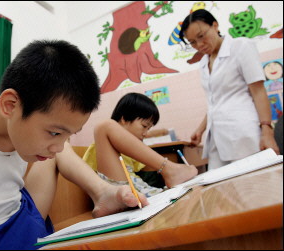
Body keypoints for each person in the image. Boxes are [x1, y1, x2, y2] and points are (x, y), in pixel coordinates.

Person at [0, 40, 149, 250]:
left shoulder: (22, 132)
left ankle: (102, 191)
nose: (60, 146)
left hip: (23, 214)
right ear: (10, 105)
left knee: (52, 153)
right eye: (55, 132)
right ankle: (102, 191)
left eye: (68, 135)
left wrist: (54, 136)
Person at [179, 9, 280, 170]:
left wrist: (267, 131)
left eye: (201, 36)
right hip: (217, 138)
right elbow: (215, 102)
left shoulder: (240, 46)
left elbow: (258, 91)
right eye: (192, 42)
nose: (199, 45)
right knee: (224, 190)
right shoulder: (204, 63)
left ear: (215, 25)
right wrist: (200, 129)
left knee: (253, 186)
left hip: (243, 132)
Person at [83, 92, 198, 197]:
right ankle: (172, 170)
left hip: (145, 192)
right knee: (104, 126)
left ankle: (173, 171)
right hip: (122, 193)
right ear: (124, 119)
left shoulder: (131, 149)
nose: (145, 133)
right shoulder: (103, 146)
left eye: (148, 128)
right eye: (144, 126)